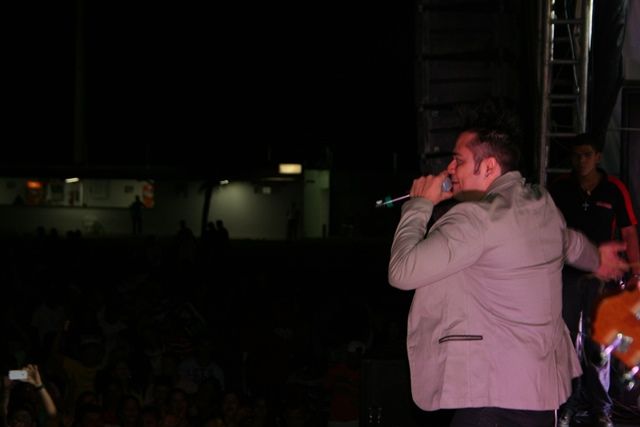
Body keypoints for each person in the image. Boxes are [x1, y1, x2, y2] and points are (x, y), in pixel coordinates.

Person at [387, 103, 629, 427]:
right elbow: (570, 243)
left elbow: (402, 271)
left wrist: (419, 205)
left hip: (491, 397)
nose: (450, 170)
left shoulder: (475, 219)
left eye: (458, 161)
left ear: (488, 166)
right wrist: (597, 259)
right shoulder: (542, 204)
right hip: (540, 398)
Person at [549, 133, 640, 427]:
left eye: (587, 154)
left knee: (598, 343)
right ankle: (567, 404)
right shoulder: (560, 188)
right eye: (577, 155)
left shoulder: (614, 189)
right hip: (567, 276)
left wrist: (636, 272)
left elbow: (628, 232)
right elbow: (547, 230)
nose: (581, 161)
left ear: (598, 157)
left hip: (602, 278)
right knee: (564, 341)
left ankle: (602, 408)